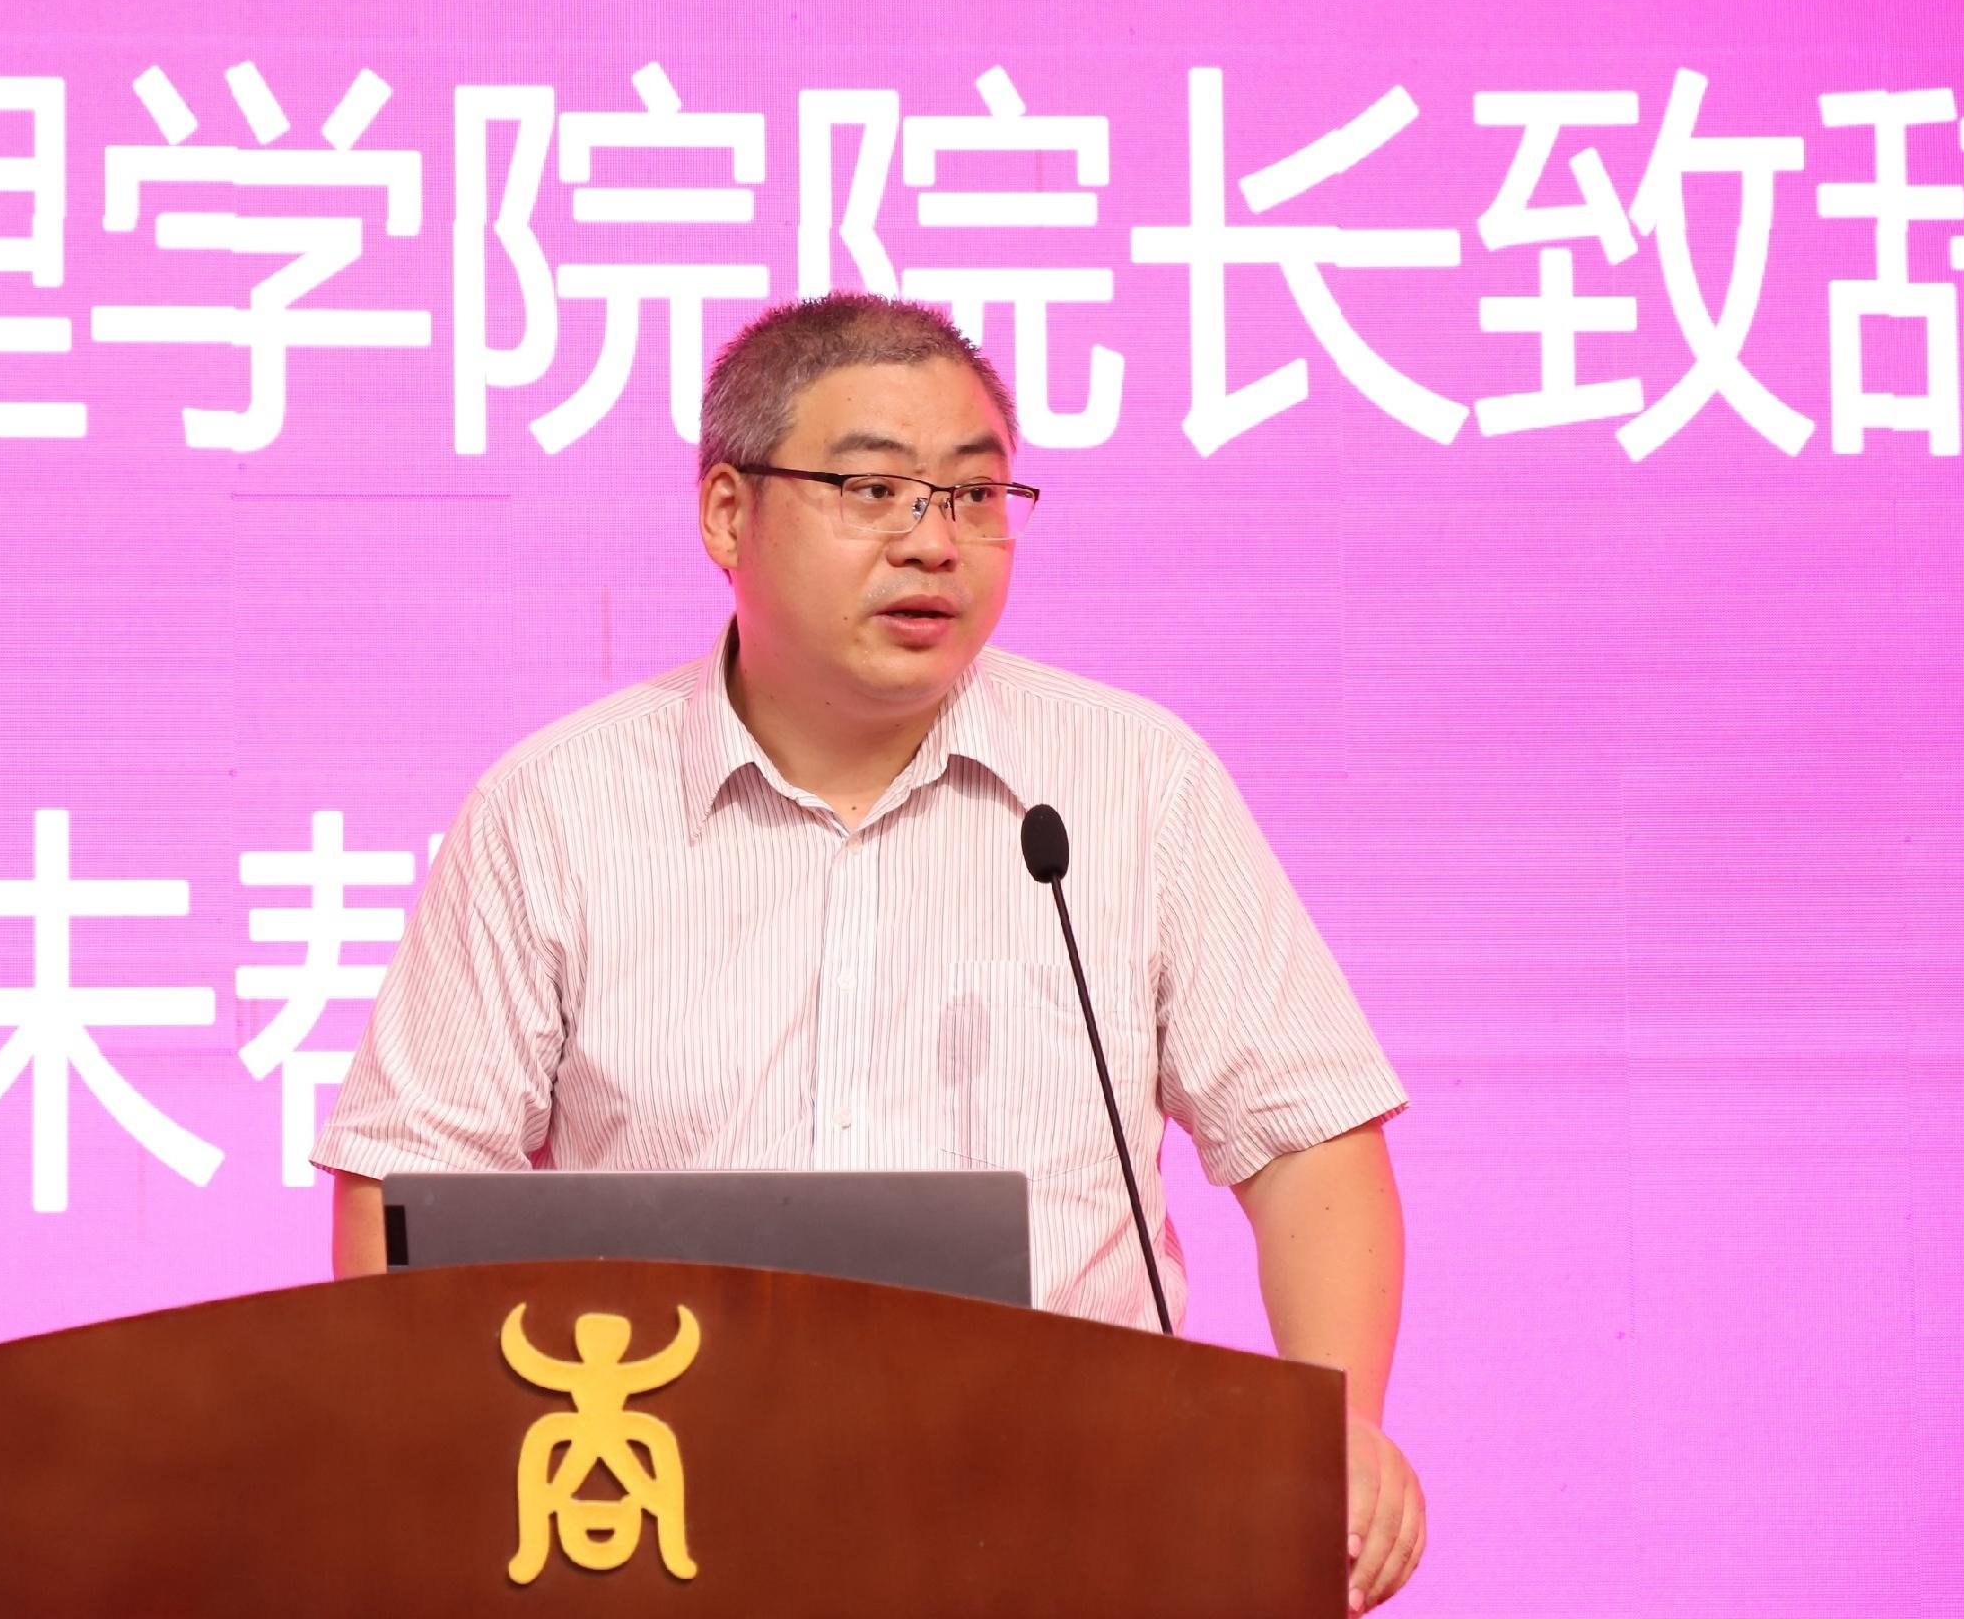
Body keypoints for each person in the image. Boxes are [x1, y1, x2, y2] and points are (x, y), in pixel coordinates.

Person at [312, 292, 1425, 1610]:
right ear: (727, 513)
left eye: (973, 496)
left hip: (1072, 1525)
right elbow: (411, 1187)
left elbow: (1305, 1146)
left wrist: (1337, 1420)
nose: (932, 541)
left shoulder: (1135, 784)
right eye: (872, 489)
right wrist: (448, 1479)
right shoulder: (554, 809)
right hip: (665, 1539)